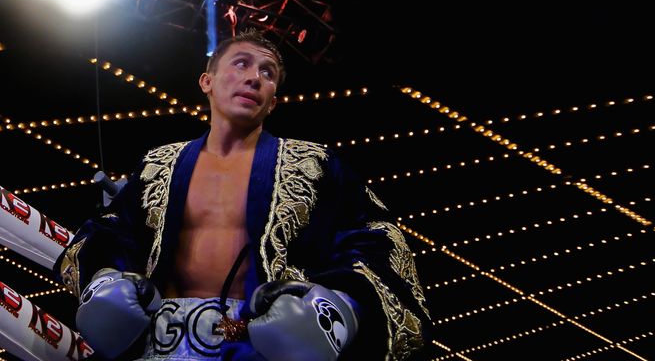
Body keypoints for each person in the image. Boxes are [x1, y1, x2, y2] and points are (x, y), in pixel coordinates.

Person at [54, 29, 432, 360]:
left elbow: (378, 240)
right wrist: (106, 281)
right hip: (158, 345)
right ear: (207, 81)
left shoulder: (315, 164)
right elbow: (111, 231)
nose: (254, 78)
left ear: (274, 100)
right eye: (241, 64)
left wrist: (337, 309)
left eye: (267, 73)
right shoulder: (158, 163)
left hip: (267, 345)